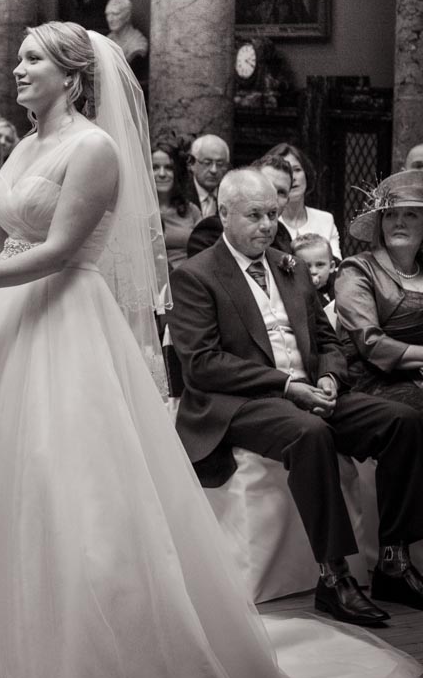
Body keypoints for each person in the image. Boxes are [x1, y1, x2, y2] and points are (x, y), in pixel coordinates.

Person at [0, 23, 420, 678]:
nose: (16, 68)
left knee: (62, 482)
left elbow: (56, 252)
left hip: (62, 319)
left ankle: (80, 663)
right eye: (18, 57)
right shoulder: (24, 147)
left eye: (32, 59)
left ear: (72, 76)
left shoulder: (94, 149)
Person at [170, 167, 423, 629]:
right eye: (254, 215)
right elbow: (202, 364)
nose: (267, 225)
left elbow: (328, 340)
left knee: (401, 421)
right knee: (310, 434)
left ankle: (393, 559)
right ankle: (334, 576)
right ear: (224, 214)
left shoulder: (291, 266)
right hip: (241, 402)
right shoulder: (195, 275)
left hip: (310, 388)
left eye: (273, 214)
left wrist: (328, 377)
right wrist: (286, 385)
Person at [334, 170, 423, 413]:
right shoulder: (357, 269)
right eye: (390, 214)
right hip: (372, 381)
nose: (398, 222)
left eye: (411, 214)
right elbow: (370, 343)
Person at [265, 142, 341, 259]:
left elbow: (336, 265)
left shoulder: (326, 220)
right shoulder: (267, 222)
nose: (293, 177)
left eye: (297, 169)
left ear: (306, 174)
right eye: (286, 171)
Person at [151, 139, 200, 269]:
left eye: (169, 168)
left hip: (187, 276)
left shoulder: (192, 210)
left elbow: (203, 251)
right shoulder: (139, 213)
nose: (162, 174)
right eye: (155, 168)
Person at [104, 0, 148, 83]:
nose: (110, 19)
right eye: (107, 14)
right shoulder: (107, 40)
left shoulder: (138, 43)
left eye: (115, 14)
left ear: (127, 16)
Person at [186, 133, 229, 216]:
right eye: (207, 163)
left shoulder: (230, 196)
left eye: (220, 164)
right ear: (192, 164)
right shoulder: (180, 195)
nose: (214, 170)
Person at [293, 232, 337, 305]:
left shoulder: (341, 288)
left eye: (320, 265)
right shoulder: (297, 297)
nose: (313, 271)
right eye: (306, 266)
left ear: (331, 267)